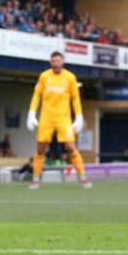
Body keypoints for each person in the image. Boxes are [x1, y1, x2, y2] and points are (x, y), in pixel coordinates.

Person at [26, 51, 92, 190]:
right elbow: (37, 95)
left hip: (63, 117)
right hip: (47, 116)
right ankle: (36, 179)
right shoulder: (44, 76)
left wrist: (79, 116)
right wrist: (31, 113)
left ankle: (83, 178)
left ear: (62, 62)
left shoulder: (70, 77)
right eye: (53, 61)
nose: (55, 63)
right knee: (40, 148)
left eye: (57, 61)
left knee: (70, 147)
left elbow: (75, 98)